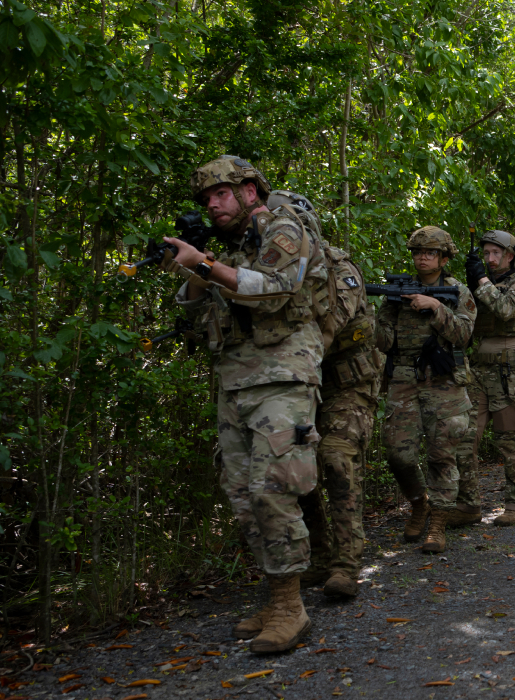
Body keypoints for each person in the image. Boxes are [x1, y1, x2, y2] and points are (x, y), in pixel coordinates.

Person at [166, 156, 328, 653]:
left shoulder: (284, 225)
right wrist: (197, 271)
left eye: (221, 193)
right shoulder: (229, 247)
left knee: (273, 487)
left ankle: (289, 606)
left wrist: (206, 265)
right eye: (206, 199)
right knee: (242, 495)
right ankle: (273, 593)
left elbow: (276, 290)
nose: (212, 204)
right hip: (236, 381)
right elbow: (192, 311)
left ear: (250, 190)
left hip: (283, 373)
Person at [270, 191, 381, 600]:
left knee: (335, 459)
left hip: (346, 384)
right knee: (296, 472)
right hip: (295, 385)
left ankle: (345, 565)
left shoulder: (338, 266)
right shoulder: (267, 267)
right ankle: (318, 557)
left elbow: (329, 329)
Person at [378, 227, 479, 548]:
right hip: (404, 380)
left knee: (442, 454)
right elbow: (382, 341)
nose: (422, 257)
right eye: (418, 252)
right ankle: (419, 504)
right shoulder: (399, 292)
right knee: (398, 454)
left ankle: (437, 522)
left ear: (444, 258)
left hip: (444, 381)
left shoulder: (458, 292)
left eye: (430, 253)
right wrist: (386, 310)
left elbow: (463, 335)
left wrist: (435, 308)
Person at [460, 230, 515, 527]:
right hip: (478, 370)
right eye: (486, 254)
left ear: (510, 256)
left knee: (509, 440)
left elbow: (505, 309)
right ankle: (468, 504)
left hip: (508, 372)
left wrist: (481, 281)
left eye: (496, 253)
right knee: (466, 437)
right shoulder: (482, 285)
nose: (490, 259)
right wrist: (471, 285)